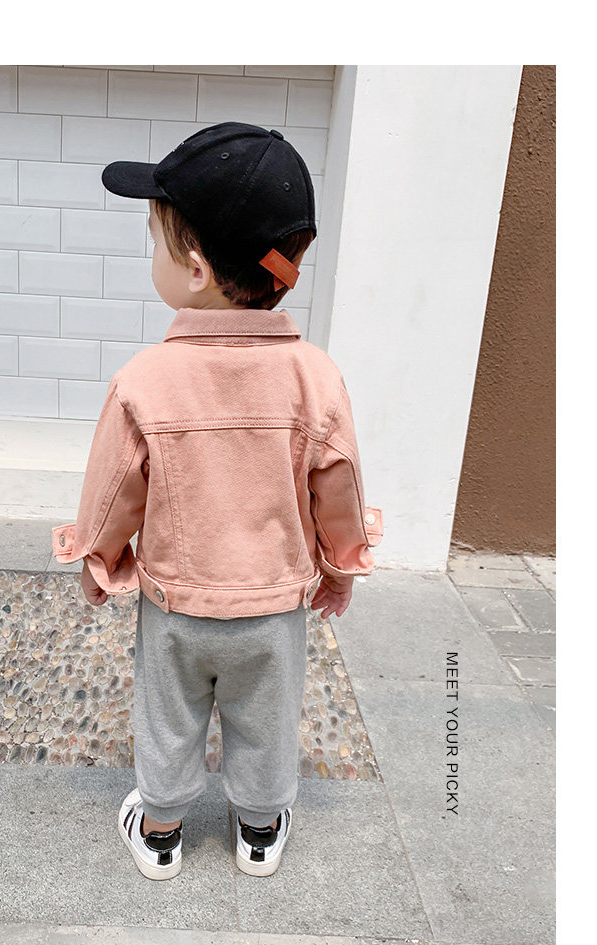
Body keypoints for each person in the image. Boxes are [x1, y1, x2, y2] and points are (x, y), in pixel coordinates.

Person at [52, 122, 383, 881]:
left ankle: (161, 832)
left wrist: (100, 561)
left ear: (196, 269)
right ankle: (259, 832)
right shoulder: (316, 378)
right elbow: (338, 488)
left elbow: (113, 492)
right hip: (272, 608)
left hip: (176, 605)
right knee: (266, 719)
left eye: (157, 243)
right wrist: (338, 568)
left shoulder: (145, 380)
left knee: (167, 716)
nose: (154, 257)